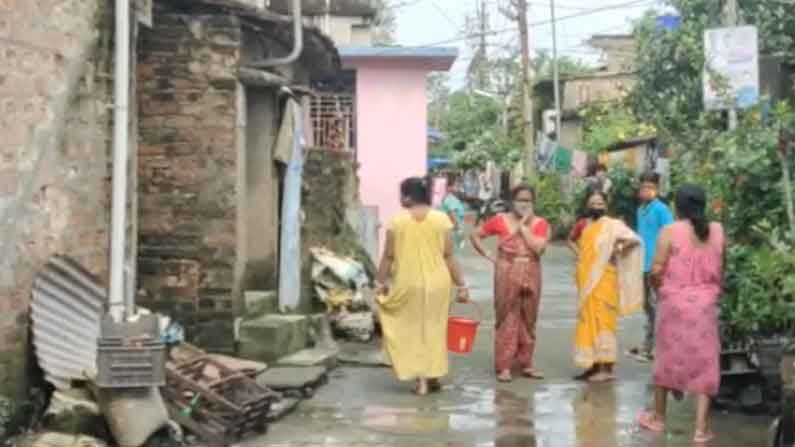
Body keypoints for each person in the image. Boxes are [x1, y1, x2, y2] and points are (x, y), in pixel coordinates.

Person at [637, 184, 725, 444]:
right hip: (706, 304)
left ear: (677, 207)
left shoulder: (669, 231)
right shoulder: (718, 230)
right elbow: (722, 266)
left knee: (666, 358)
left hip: (674, 303)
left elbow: (655, 271)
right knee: (706, 362)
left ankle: (659, 418)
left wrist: (660, 289)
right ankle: (700, 429)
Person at [375, 177, 469, 396]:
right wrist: (462, 284)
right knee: (435, 329)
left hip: (408, 283)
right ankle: (432, 376)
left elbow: (388, 257)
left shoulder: (397, 221)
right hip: (438, 283)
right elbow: (449, 255)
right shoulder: (441, 219)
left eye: (401, 194)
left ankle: (421, 381)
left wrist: (379, 283)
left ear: (407, 196)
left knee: (413, 331)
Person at [470, 185, 550, 383]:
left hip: (531, 269)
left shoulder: (540, 223)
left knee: (529, 318)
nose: (524, 204)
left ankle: (526, 363)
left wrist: (523, 226)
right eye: (520, 200)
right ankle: (504, 366)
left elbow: (539, 249)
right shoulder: (500, 220)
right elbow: (475, 235)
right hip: (506, 270)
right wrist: (490, 256)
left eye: (528, 200)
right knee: (506, 317)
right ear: (512, 201)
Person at [573, 190, 643, 383]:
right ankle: (593, 365)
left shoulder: (614, 225)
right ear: (587, 206)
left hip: (605, 280)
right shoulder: (585, 226)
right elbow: (576, 245)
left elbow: (634, 240)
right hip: (586, 280)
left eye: (599, 203)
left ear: (605, 205)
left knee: (604, 321)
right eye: (592, 203)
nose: (596, 206)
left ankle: (606, 368)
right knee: (587, 321)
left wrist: (617, 249)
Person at [627, 172, 674, 363]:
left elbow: (670, 235)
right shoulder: (640, 210)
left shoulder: (662, 210)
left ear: (656, 189)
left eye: (650, 187)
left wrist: (664, 264)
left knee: (658, 307)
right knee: (648, 307)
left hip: (657, 266)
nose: (646, 190)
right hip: (642, 265)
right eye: (643, 187)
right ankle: (649, 345)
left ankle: (656, 348)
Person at [439, 174, 467, 251]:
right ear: (449, 187)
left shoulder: (448, 198)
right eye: (456, 185)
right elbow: (453, 216)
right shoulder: (450, 199)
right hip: (453, 232)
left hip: (450, 231)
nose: (458, 188)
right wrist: (460, 231)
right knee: (453, 254)